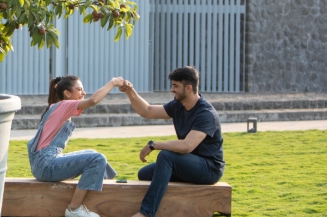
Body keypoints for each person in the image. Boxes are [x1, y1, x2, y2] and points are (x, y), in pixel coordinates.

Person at [120, 66, 224, 217]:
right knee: (145, 174)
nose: (171, 89)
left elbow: (187, 146)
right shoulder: (178, 106)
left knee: (166, 156)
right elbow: (147, 111)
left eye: (176, 86)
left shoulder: (206, 114)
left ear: (188, 88)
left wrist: (154, 145)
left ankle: (146, 213)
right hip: (189, 163)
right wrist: (130, 92)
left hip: (208, 169)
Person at [27, 75, 125, 217]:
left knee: (92, 153)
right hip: (46, 165)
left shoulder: (57, 107)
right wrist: (113, 83)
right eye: (79, 89)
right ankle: (74, 210)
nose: (83, 93)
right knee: (97, 159)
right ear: (67, 93)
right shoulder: (64, 105)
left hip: (43, 163)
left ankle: (104, 188)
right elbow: (93, 101)